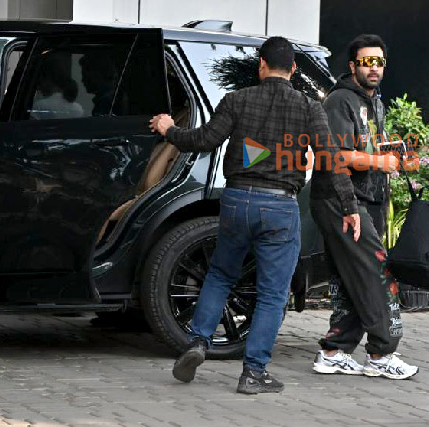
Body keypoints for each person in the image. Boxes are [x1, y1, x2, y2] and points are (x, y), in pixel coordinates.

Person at [149, 36, 360, 394]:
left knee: (219, 274)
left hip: (236, 201)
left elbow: (203, 140)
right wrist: (350, 207)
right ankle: (254, 372)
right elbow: (331, 159)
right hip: (279, 206)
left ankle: (198, 341)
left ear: (261, 65)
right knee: (272, 293)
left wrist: (168, 128)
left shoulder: (237, 99)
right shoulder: (309, 108)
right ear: (293, 70)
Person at [310, 34, 419, 379]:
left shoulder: (376, 103)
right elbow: (336, 155)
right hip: (340, 200)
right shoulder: (341, 101)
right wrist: (378, 161)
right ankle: (381, 354)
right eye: (366, 62)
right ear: (352, 66)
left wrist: (393, 154)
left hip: (367, 199)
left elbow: (368, 147)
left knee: (349, 278)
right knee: (375, 272)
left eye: (379, 62)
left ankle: (334, 352)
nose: (374, 68)